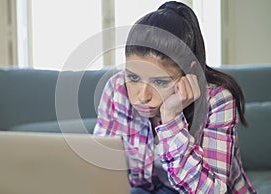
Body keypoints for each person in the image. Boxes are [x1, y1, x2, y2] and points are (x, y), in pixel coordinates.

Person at [94, 1, 256, 193]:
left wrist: (172, 120)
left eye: (160, 82)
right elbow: (101, 165)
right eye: (133, 77)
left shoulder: (218, 100)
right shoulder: (116, 88)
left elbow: (213, 191)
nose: (143, 96)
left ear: (189, 72)